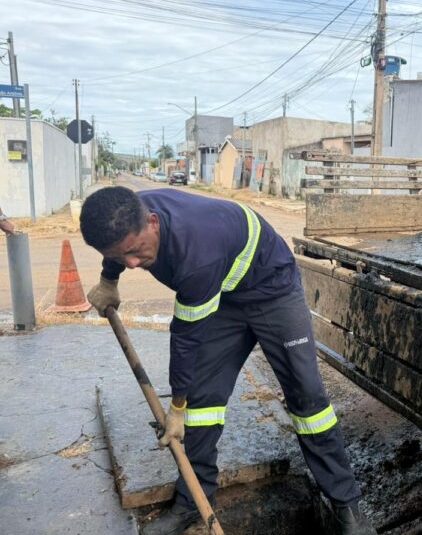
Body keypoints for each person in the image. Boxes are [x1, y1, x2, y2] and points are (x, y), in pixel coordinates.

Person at [80, 187, 375, 535]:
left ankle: (347, 507)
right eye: (119, 256)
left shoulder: (195, 252)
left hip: (272, 288)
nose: (131, 263)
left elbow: (186, 339)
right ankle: (193, 500)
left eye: (134, 252)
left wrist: (175, 408)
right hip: (224, 293)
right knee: (203, 399)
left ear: (153, 223)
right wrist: (108, 279)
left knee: (308, 400)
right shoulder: (124, 212)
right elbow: (118, 249)